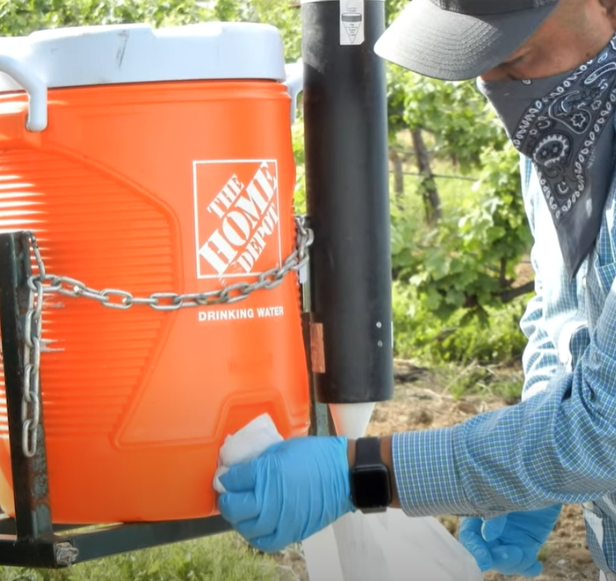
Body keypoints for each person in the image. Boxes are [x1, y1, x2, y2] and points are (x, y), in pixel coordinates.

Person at [215, 0, 616, 579]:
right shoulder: (567, 130)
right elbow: (561, 310)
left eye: (516, 56)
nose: (498, 88)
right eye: (480, 65)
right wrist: (526, 470)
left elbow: (603, 432)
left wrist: (363, 474)